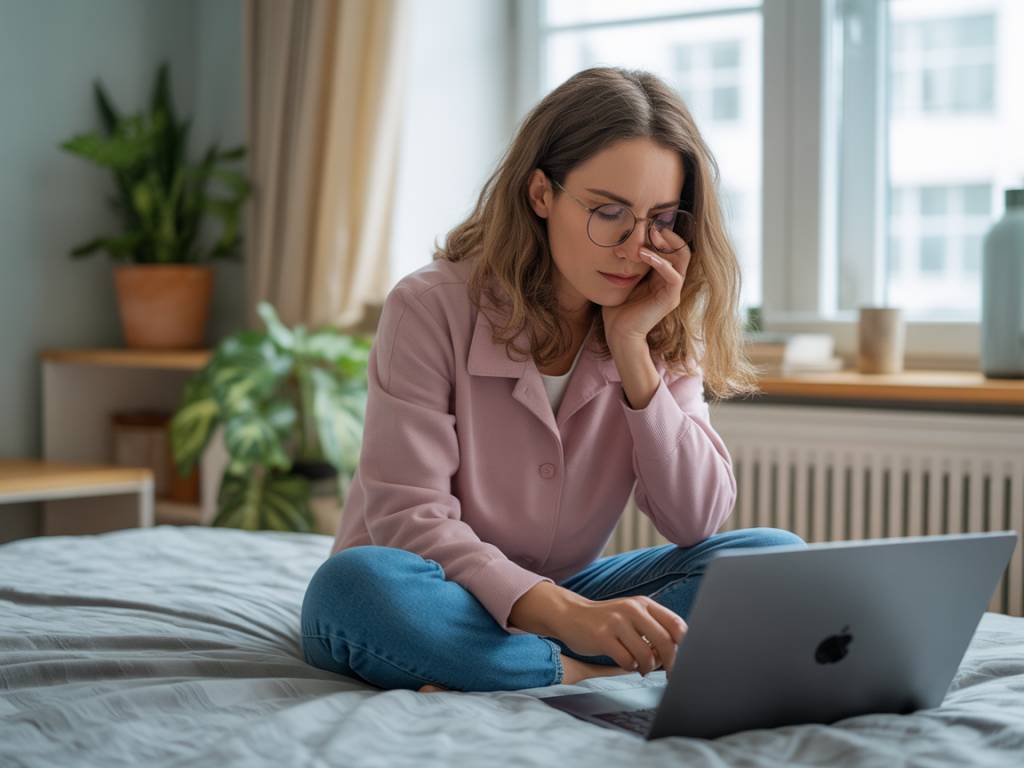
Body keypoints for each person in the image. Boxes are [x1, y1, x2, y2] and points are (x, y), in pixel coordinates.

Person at [300, 66, 807, 694]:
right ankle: (572, 671)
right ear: (542, 194)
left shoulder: (657, 321)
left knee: (771, 558)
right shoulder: (428, 307)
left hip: (560, 602)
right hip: (429, 592)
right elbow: (412, 522)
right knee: (353, 588)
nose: (635, 247)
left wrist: (631, 348)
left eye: (661, 218)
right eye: (608, 212)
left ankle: (500, 667)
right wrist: (574, 621)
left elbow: (696, 518)